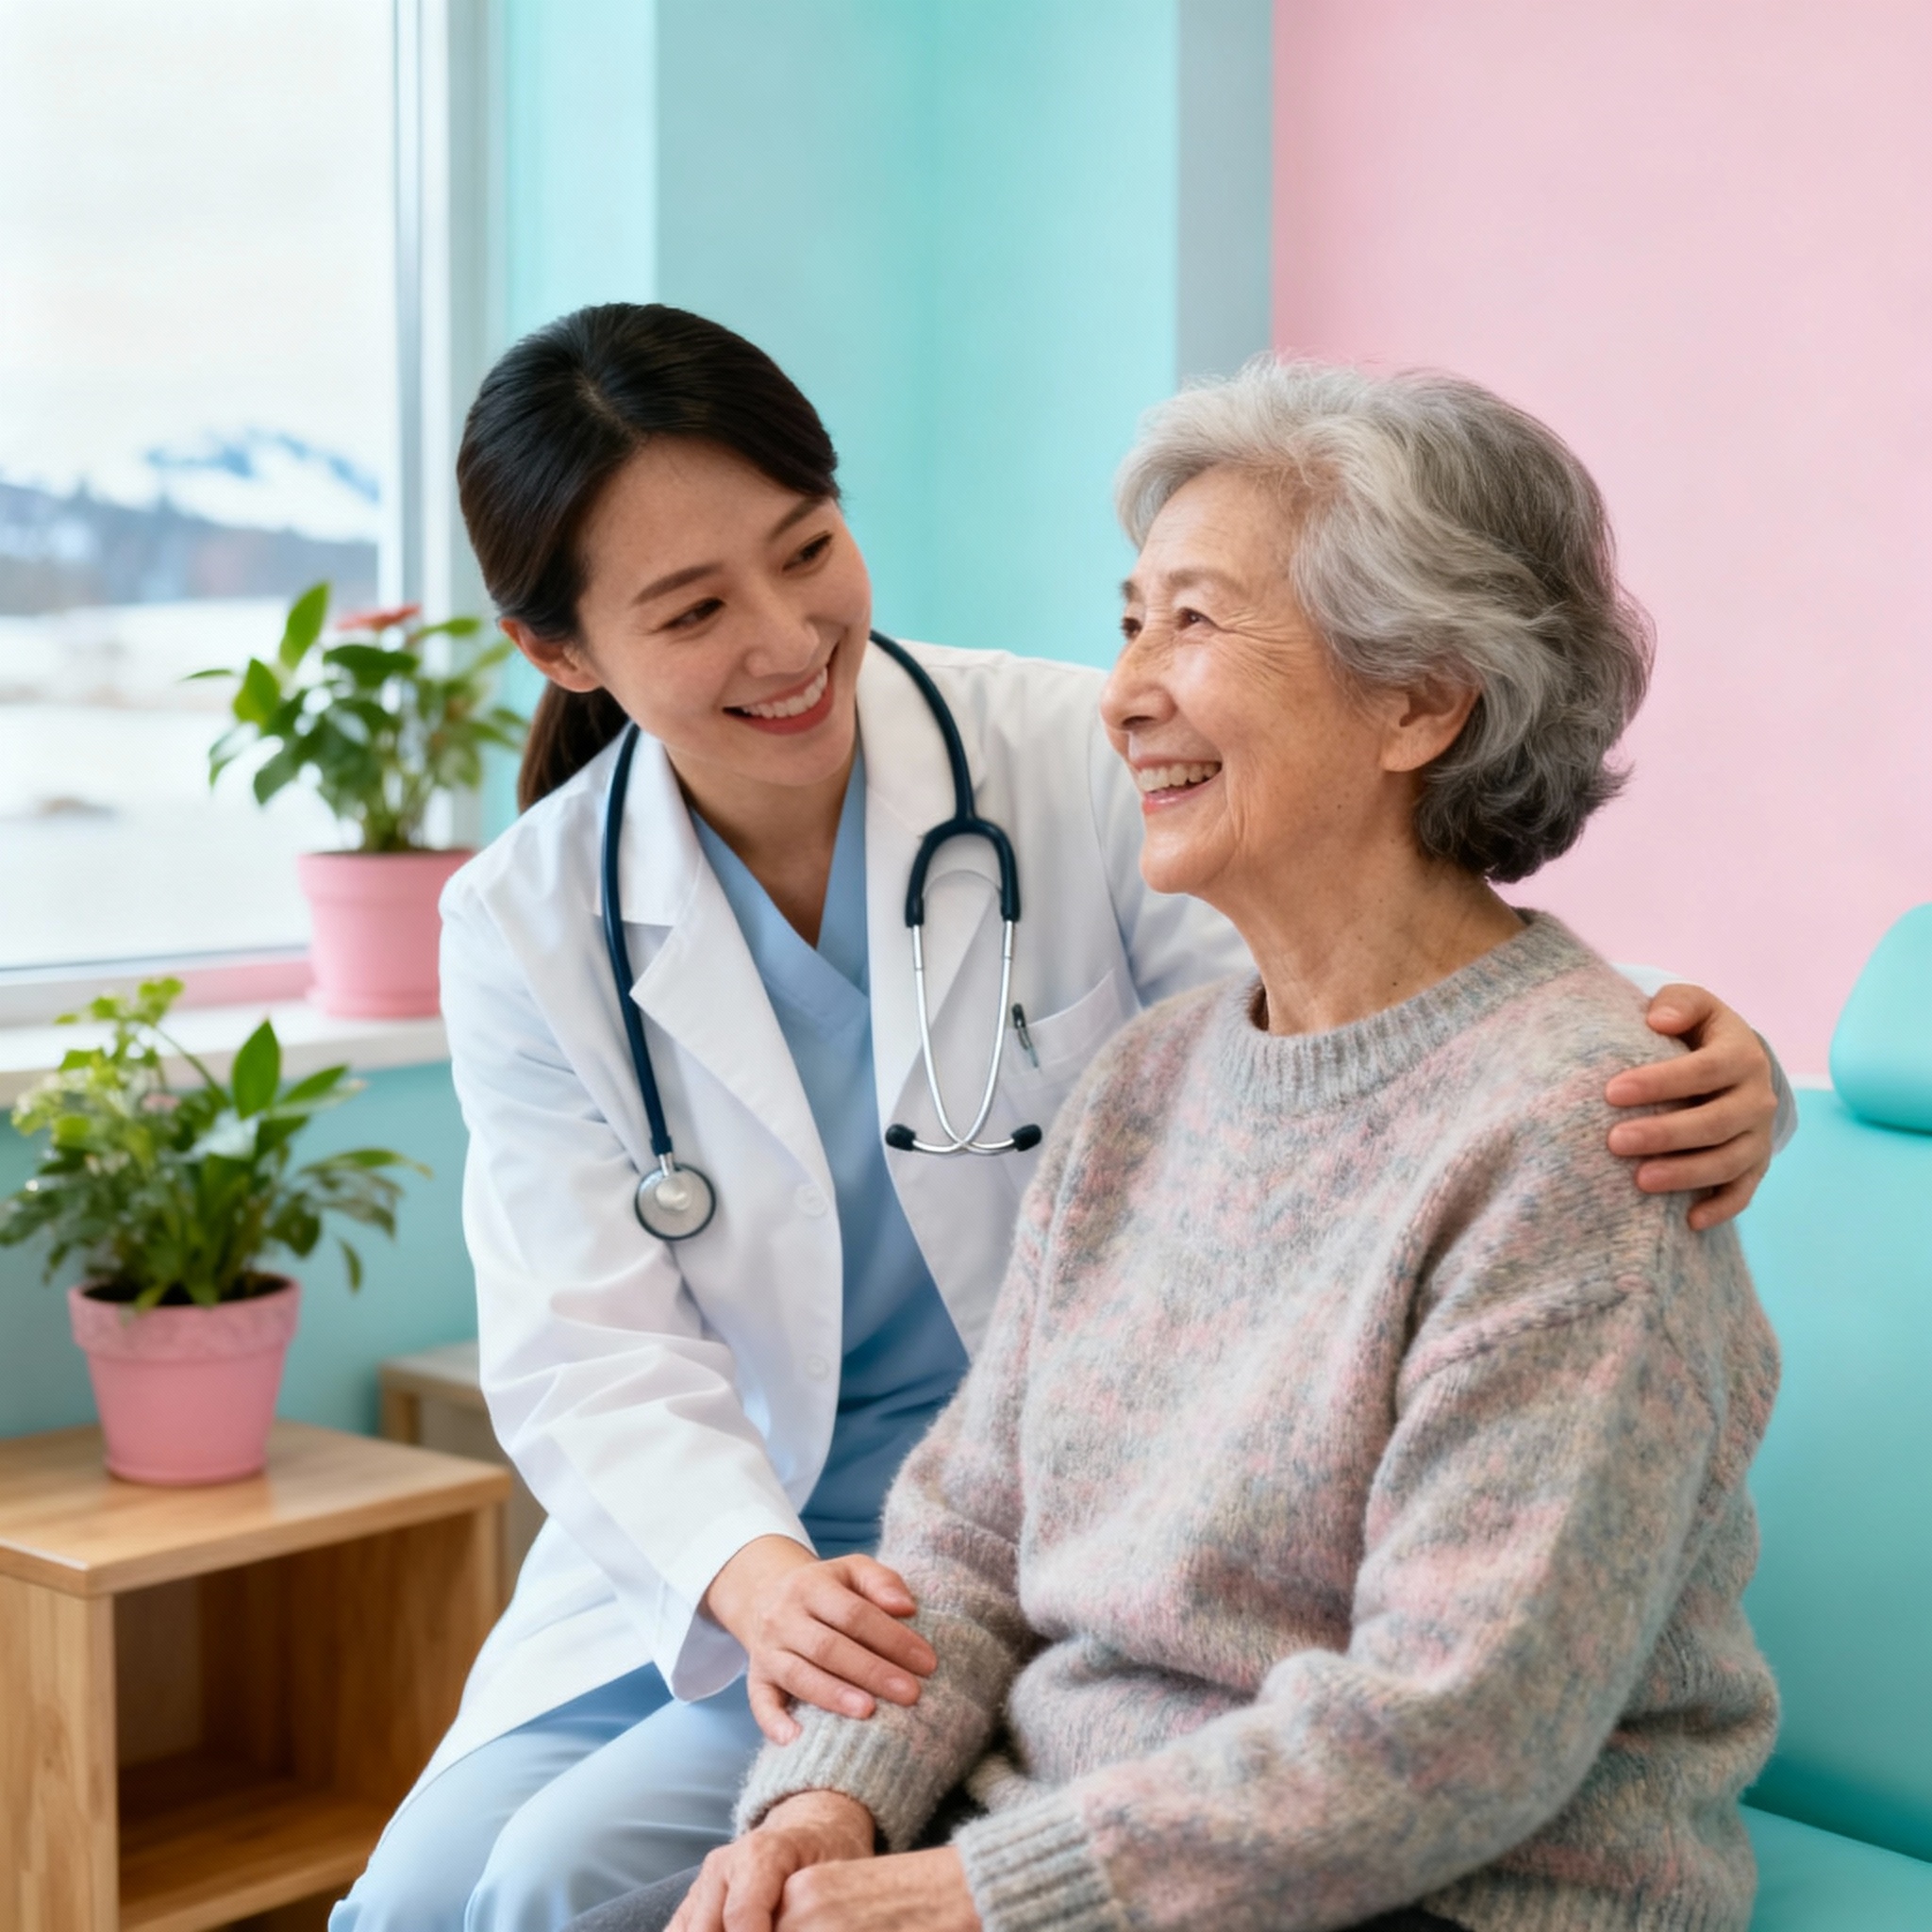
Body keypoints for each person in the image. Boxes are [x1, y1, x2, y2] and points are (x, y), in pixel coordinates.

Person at [331, 310, 1789, 1932]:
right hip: (861, 1583)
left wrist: (1703, 1049)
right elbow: (648, 1381)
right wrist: (828, 1795)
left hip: (1249, 1764)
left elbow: (1431, 1025)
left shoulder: (1553, 1142)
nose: (1125, 696)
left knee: (554, 1885)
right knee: (440, 1899)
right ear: (566, 651)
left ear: (1415, 699)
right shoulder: (1139, 1079)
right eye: (690, 608)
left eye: (806, 550)